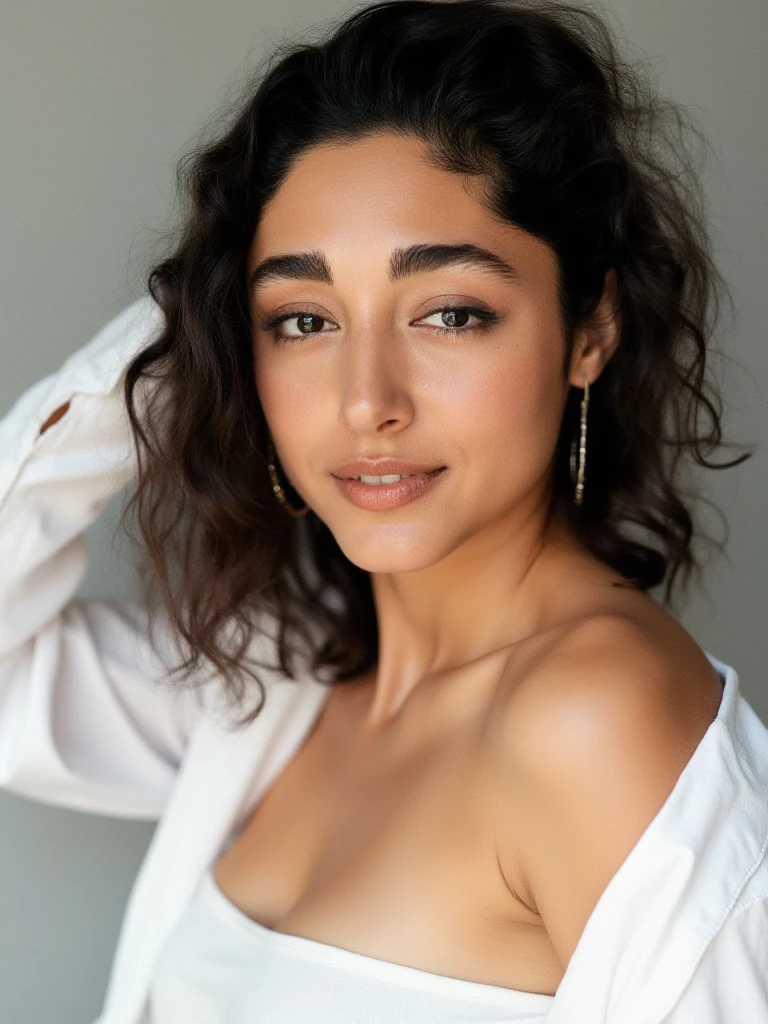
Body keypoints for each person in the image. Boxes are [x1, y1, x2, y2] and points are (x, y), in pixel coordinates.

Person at [1, 1, 766, 1021]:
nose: (367, 400)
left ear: (591, 330)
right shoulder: (282, 681)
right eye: (303, 319)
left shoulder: (595, 718)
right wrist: (187, 337)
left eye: (451, 312)